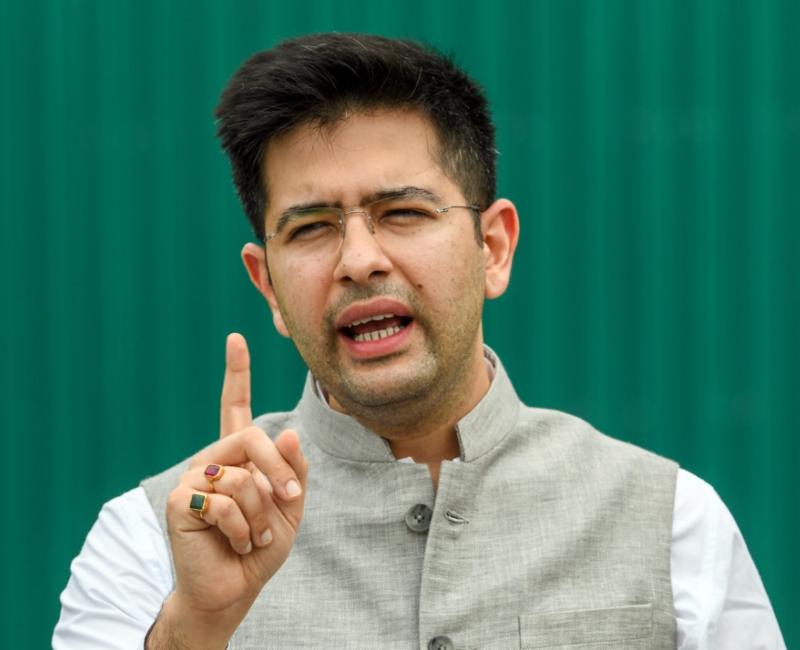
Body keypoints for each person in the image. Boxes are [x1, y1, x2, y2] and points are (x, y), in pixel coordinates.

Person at [54, 33, 785, 649]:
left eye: (402, 212)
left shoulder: (672, 523)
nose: (359, 259)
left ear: (493, 248)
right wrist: (194, 629)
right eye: (311, 228)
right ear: (268, 285)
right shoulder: (148, 545)